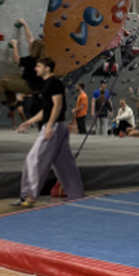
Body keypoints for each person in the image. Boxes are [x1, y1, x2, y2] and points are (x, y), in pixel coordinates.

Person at [13, 58, 83, 207]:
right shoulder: (46, 85)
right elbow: (46, 110)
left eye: (38, 66)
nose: (35, 68)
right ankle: (76, 194)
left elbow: (57, 105)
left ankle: (29, 196)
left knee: (34, 159)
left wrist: (50, 125)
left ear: (47, 68)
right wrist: (29, 121)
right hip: (58, 126)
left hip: (55, 126)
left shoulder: (54, 83)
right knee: (64, 163)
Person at [0, 18, 44, 105]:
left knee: (4, 82)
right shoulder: (43, 56)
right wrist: (25, 24)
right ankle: (12, 101)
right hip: (34, 81)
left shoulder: (31, 60)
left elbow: (16, 60)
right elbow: (30, 39)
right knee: (8, 77)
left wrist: (15, 45)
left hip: (30, 86)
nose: (29, 46)